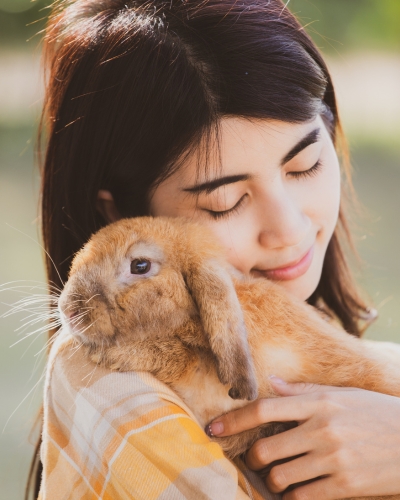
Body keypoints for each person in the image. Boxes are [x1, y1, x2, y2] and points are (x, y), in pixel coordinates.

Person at [29, 0, 400, 498]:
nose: (288, 230)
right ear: (121, 214)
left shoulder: (325, 344)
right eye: (225, 202)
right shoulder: (108, 379)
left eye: (306, 164)